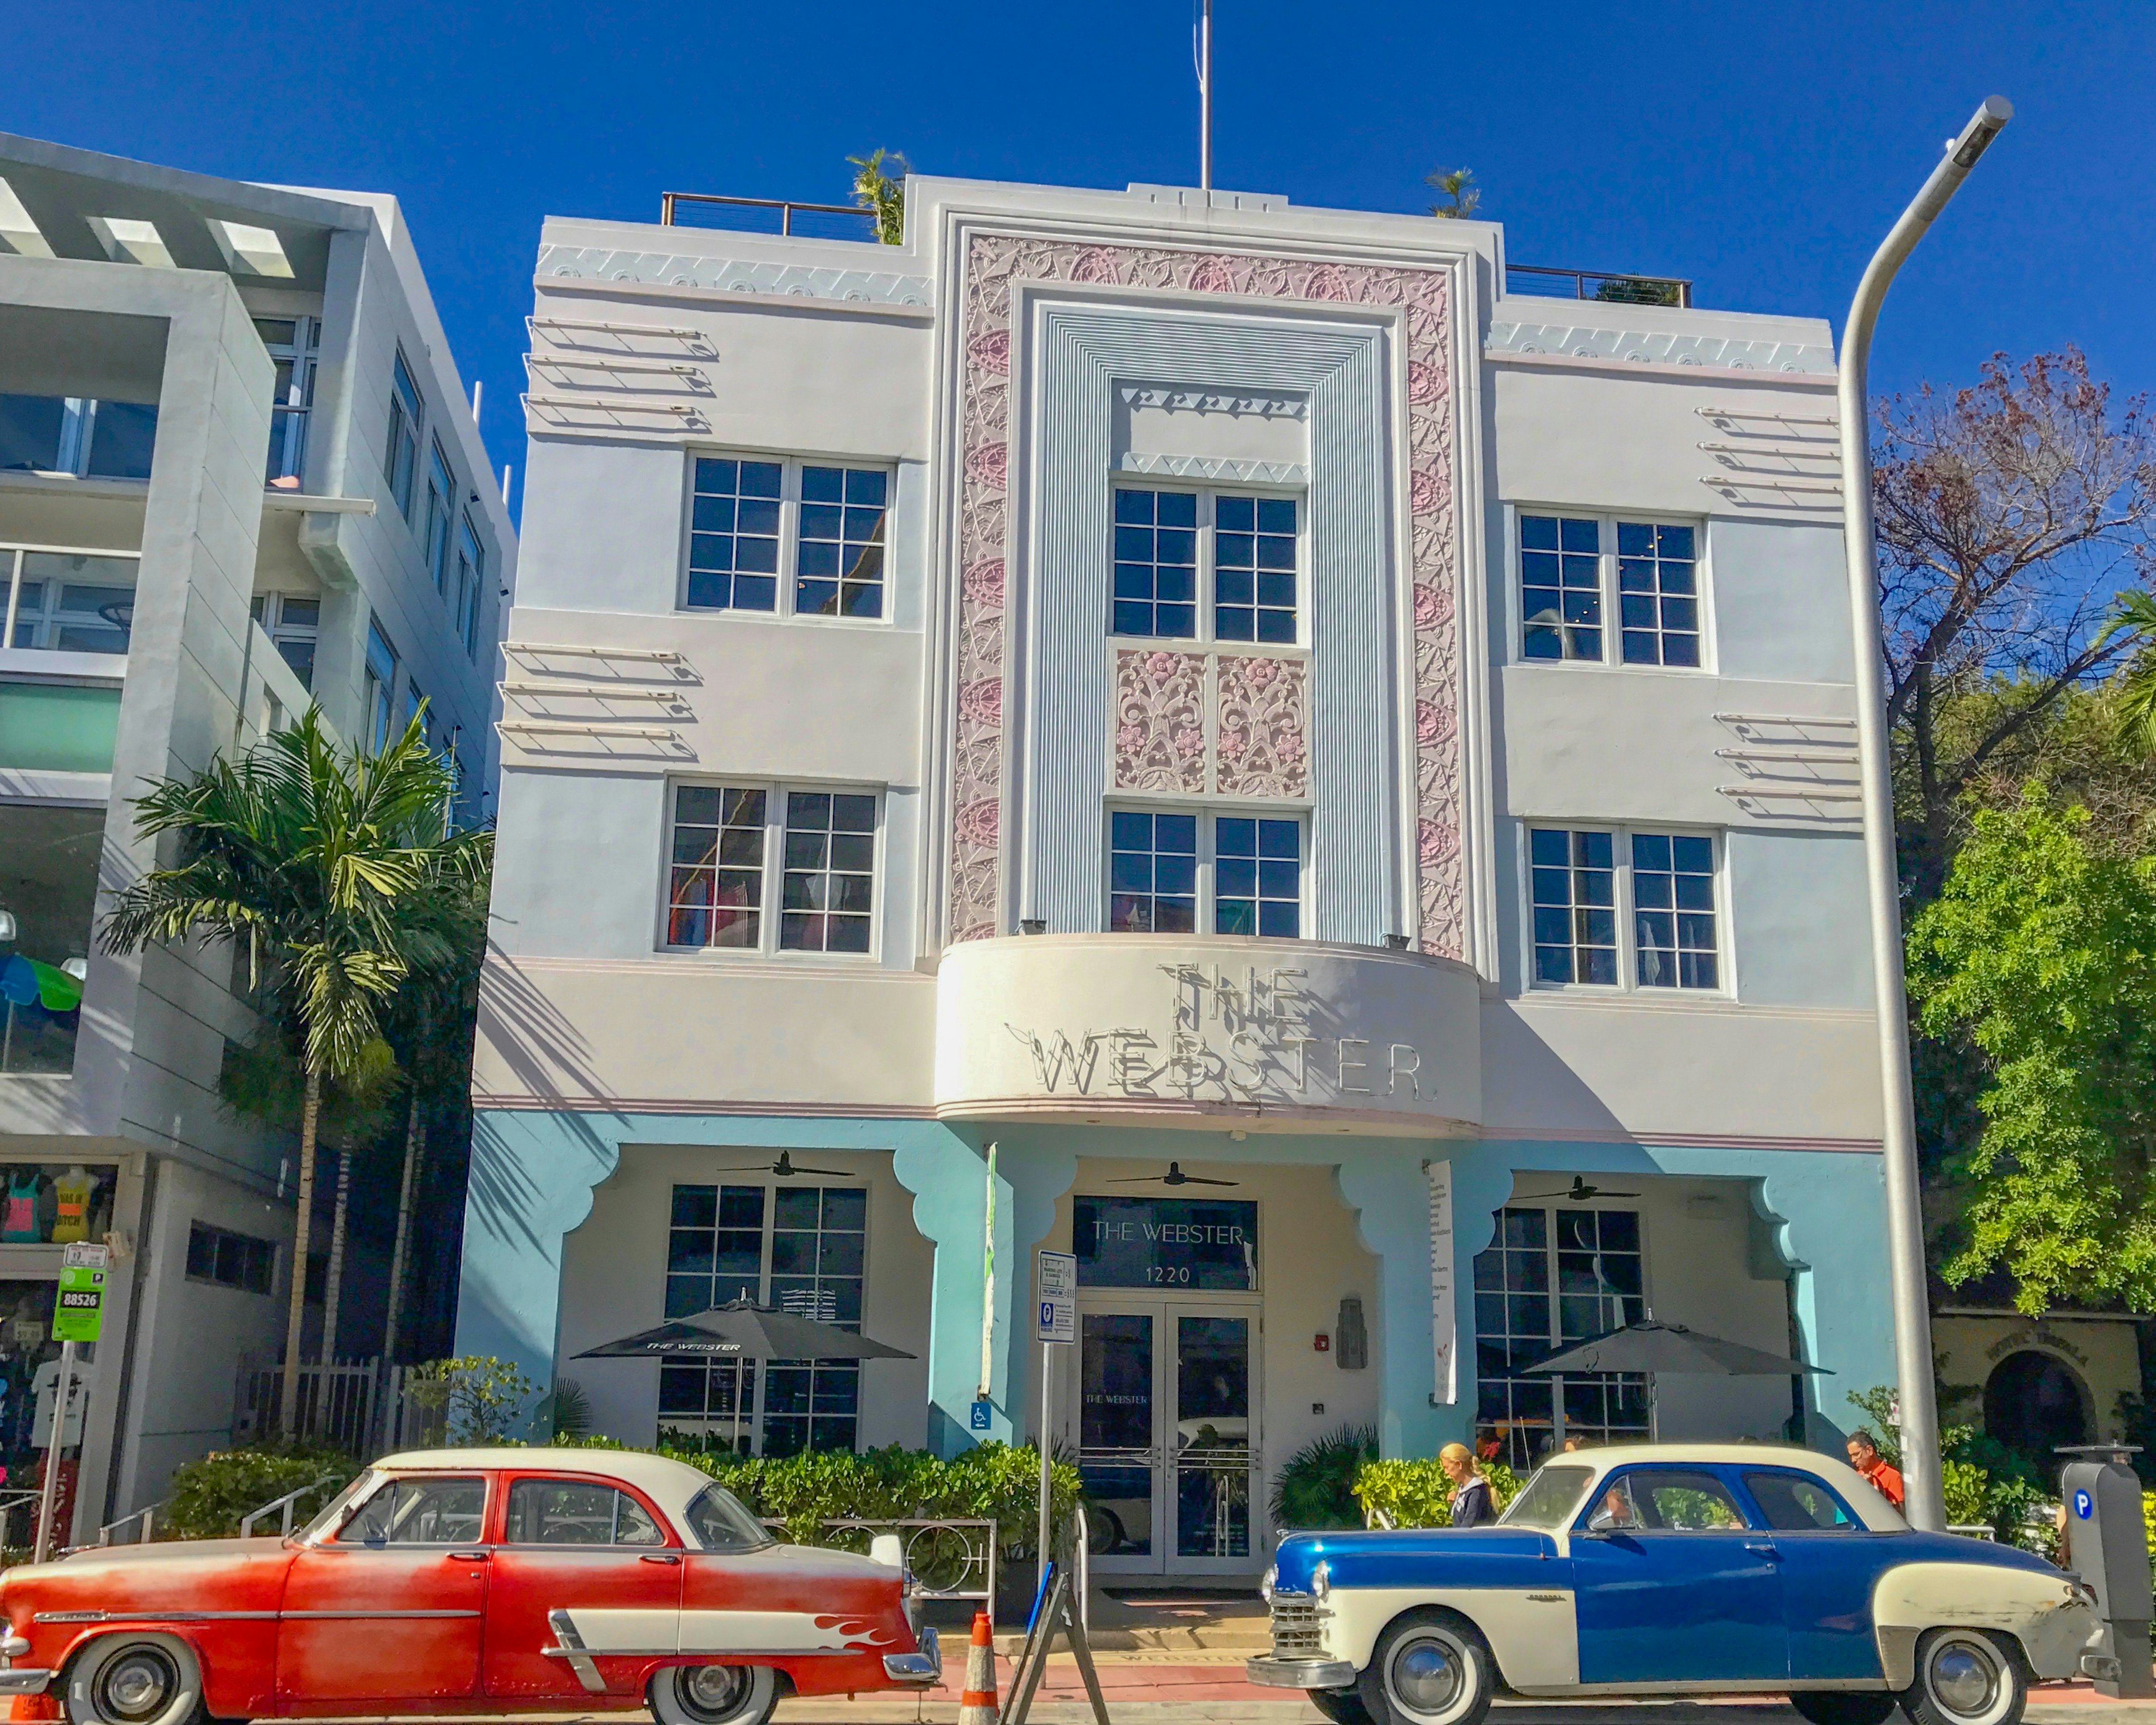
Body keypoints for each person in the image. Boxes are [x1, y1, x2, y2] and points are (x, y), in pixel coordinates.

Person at [1440, 1441, 1495, 1529]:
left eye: (1447, 1467)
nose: (1446, 1472)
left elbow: (1469, 1524)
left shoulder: (1476, 1492)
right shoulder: (1463, 1489)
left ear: (1459, 1465)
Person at [1846, 1430, 1905, 1510]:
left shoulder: (1892, 1476)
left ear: (1869, 1450)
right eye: (1851, 1456)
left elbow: (1900, 1514)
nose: (1853, 1460)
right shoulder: (1856, 1476)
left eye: (1856, 1455)